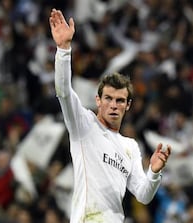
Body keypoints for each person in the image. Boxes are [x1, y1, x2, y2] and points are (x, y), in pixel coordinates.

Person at [49, 9, 172, 223]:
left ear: (128, 105)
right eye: (108, 98)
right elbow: (63, 92)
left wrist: (153, 172)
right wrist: (63, 51)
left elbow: (143, 195)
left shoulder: (131, 147)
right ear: (98, 100)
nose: (113, 105)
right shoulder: (83, 125)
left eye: (120, 100)